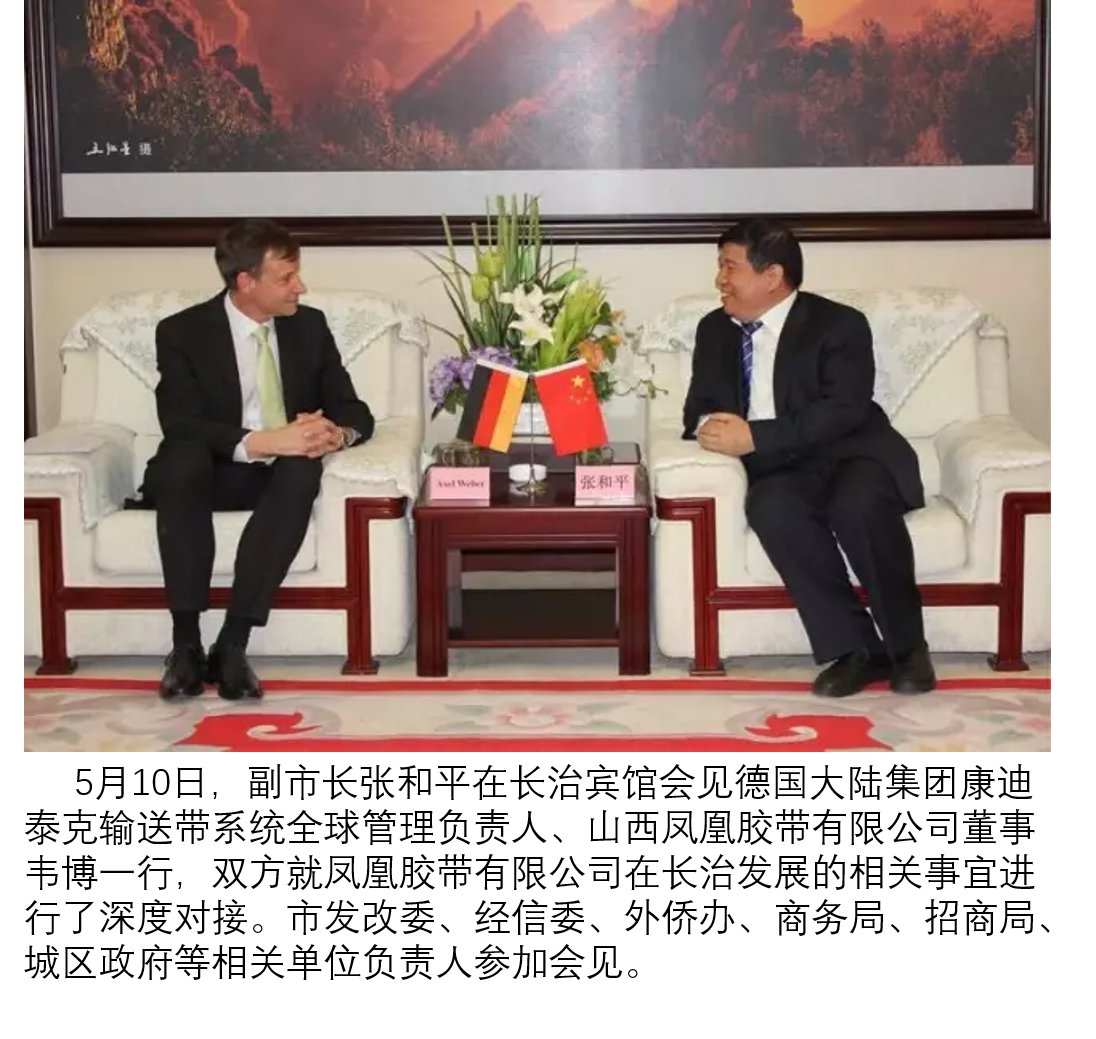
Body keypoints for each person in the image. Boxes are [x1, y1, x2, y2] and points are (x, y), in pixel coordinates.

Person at [683, 218, 935, 697]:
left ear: (772, 275)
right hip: (781, 469)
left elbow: (843, 410)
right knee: (771, 507)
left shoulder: (840, 324)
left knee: (858, 504)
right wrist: (710, 428)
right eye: (720, 266)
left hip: (854, 453)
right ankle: (858, 650)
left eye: (730, 267)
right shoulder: (714, 329)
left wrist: (754, 436)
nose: (720, 279)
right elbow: (701, 403)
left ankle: (908, 648)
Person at [140, 218, 374, 702]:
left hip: (273, 480)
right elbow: (180, 422)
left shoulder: (309, 327)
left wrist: (335, 435)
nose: (300, 287)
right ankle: (185, 646)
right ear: (246, 281)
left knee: (302, 467)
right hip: (208, 470)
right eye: (286, 278)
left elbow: (355, 410)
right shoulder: (183, 331)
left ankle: (232, 643)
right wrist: (268, 440)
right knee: (183, 459)